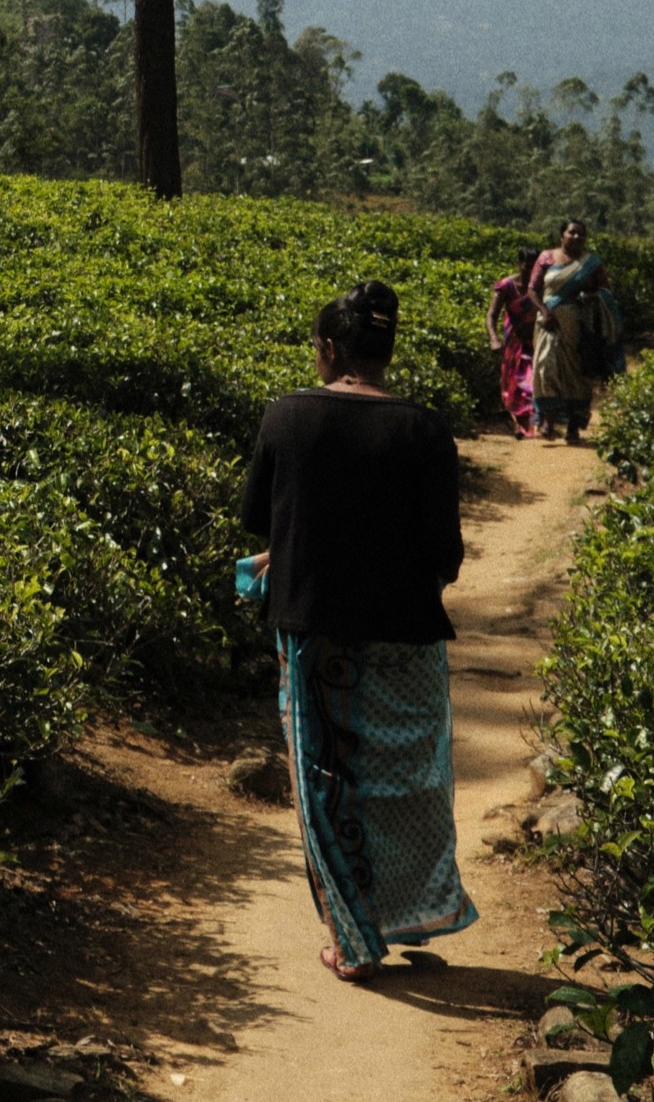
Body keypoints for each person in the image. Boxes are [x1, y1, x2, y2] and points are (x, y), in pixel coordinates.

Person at [238, 281, 476, 985]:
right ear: (386, 352)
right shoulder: (425, 428)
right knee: (407, 779)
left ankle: (351, 938)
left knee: (325, 778)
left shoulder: (286, 417)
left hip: (317, 634)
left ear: (329, 349)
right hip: (405, 633)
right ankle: (407, 909)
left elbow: (262, 521)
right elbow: (446, 556)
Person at [526, 221, 620, 445]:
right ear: (562, 235)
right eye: (572, 232)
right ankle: (547, 421)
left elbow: (606, 292)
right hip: (548, 321)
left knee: (574, 373)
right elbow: (532, 288)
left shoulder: (592, 264)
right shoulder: (546, 257)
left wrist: (590, 297)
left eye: (581, 234)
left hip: (578, 324)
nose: (576, 237)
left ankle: (572, 426)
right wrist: (543, 311)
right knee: (544, 366)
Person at [483, 261, 541, 439]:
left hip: (534, 341)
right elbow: (491, 315)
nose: (531, 271)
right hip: (513, 342)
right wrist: (494, 338)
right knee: (512, 386)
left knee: (530, 383)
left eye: (535, 267)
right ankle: (517, 424)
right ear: (520, 264)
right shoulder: (507, 286)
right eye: (528, 266)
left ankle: (530, 425)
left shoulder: (541, 286)